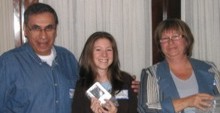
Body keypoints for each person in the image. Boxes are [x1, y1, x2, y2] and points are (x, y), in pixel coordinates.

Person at [0, 3, 79, 113]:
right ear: (25, 30)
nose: (43, 36)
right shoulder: (8, 63)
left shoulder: (68, 59)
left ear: (56, 30)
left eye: (49, 28)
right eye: (36, 28)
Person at [138, 19, 220, 113]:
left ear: (187, 40)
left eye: (176, 37)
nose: (170, 42)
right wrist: (188, 101)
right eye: (164, 38)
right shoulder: (151, 73)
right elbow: (146, 109)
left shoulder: (209, 68)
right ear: (159, 45)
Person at [72, 31, 138, 113]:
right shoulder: (81, 86)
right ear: (89, 53)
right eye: (98, 49)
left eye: (109, 50)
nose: (104, 55)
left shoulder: (127, 80)